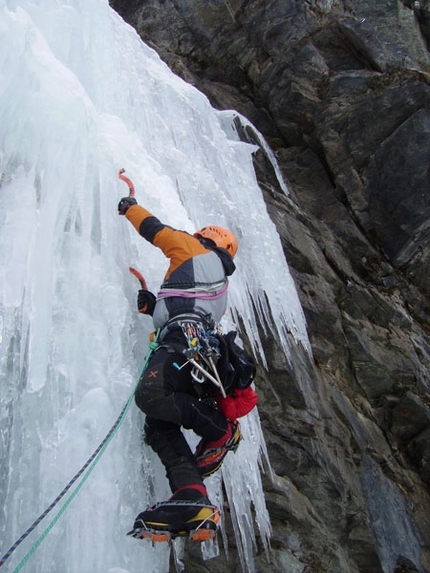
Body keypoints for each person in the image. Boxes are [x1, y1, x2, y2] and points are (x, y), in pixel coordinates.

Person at [118, 194, 258, 538]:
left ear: (203, 239)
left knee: (152, 394)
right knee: (159, 425)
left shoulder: (195, 250)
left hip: (182, 345)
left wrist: (128, 207)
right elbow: (189, 306)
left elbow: (156, 230)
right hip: (191, 352)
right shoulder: (217, 284)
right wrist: (155, 308)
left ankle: (220, 431)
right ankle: (191, 496)